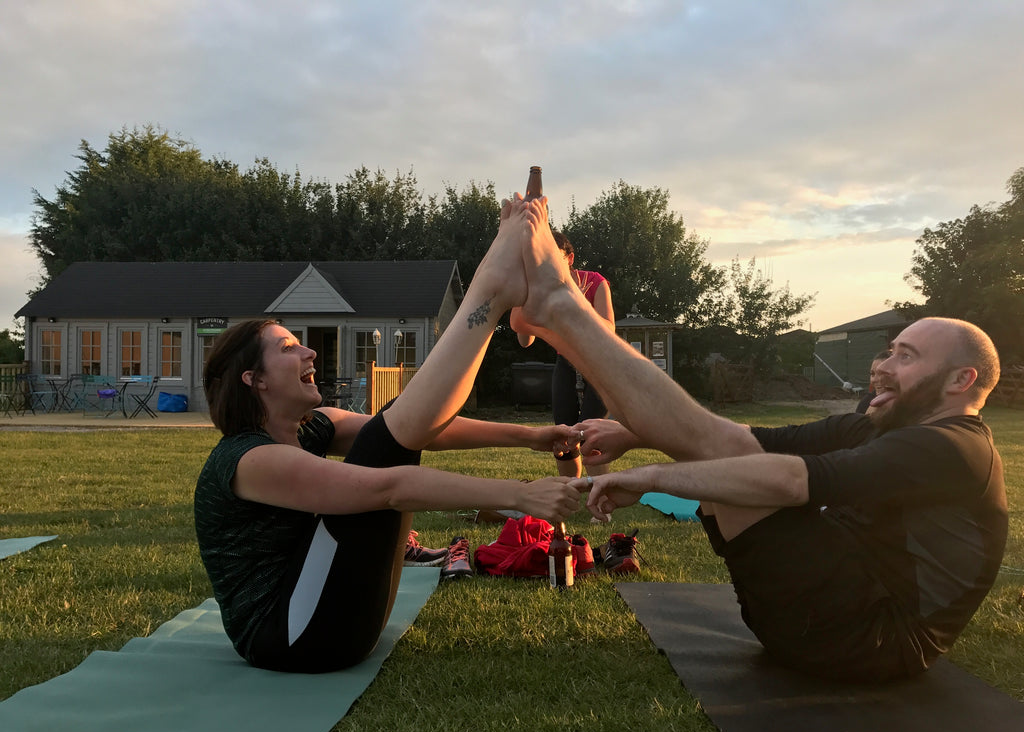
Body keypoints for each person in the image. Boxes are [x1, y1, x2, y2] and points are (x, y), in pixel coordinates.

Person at [511, 194, 1006, 683]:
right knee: (730, 449)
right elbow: (755, 437)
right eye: (889, 352)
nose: (881, 367)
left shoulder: (954, 449)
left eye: (907, 357)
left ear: (960, 381)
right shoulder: (881, 425)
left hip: (873, 640)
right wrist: (635, 436)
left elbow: (792, 481)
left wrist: (656, 475)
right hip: (818, 615)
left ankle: (563, 309)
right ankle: (562, 310)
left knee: (731, 459)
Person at [194, 198, 581, 673]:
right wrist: (520, 496)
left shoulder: (312, 429)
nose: (310, 352)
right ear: (254, 380)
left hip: (332, 618)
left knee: (391, 427)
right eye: (289, 348)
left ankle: (493, 290)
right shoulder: (248, 459)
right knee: (385, 443)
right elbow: (389, 486)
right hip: (296, 637)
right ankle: (491, 290)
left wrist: (532, 437)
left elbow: (424, 431)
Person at [511, 232, 616, 485]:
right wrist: (524, 302)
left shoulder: (594, 281)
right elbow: (525, 342)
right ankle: (571, 491)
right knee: (563, 433)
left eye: (552, 258)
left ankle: (600, 496)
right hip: (566, 363)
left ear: (569, 259)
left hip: (599, 365)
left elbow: (609, 329)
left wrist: (577, 301)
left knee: (590, 432)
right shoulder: (541, 290)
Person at [855, 349, 891, 414]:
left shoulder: (909, 402)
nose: (874, 380)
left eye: (881, 373)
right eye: (872, 374)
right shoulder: (866, 403)